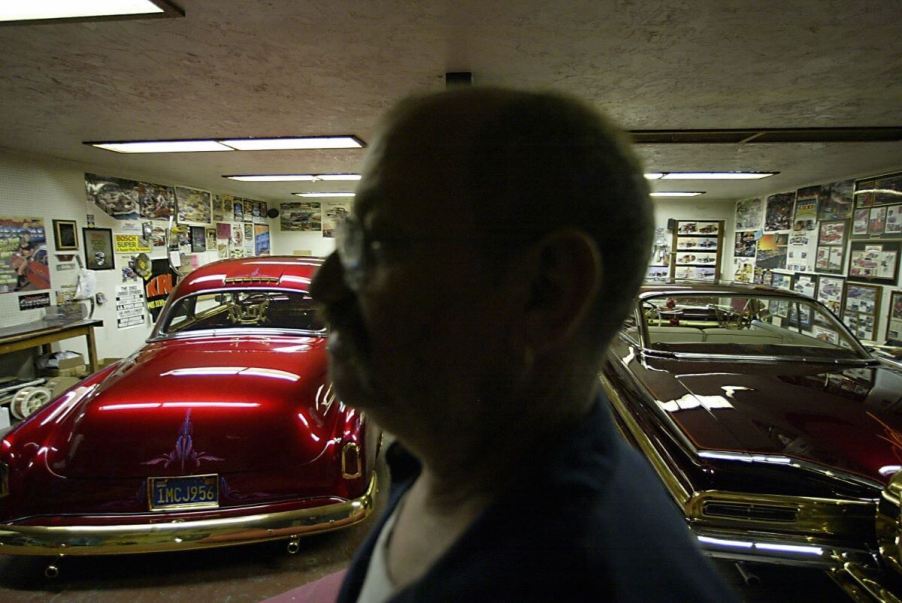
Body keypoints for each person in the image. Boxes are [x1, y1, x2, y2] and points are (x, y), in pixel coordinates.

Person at [310, 87, 736, 602]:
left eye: (379, 243)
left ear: (547, 292)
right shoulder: (452, 457)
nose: (325, 286)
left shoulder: (596, 578)